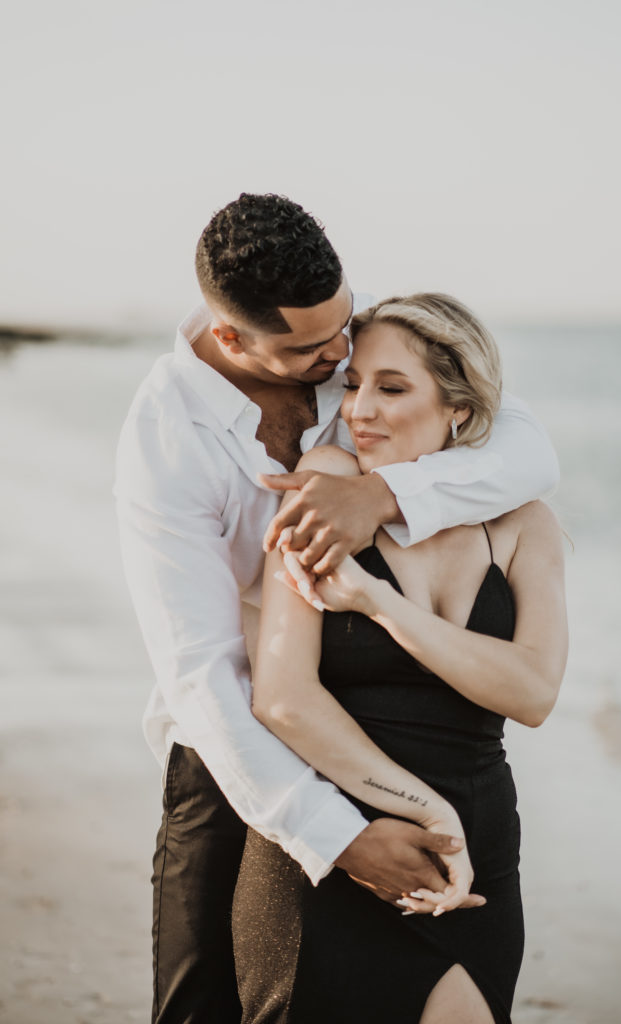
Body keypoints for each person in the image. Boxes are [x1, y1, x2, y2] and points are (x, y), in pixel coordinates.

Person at [114, 195, 560, 1024]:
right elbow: (202, 677)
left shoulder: (355, 339)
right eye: (313, 351)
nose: (339, 361)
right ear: (231, 340)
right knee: (198, 999)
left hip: (382, 718)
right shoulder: (165, 439)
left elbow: (523, 447)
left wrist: (380, 495)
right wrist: (338, 834)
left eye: (343, 328)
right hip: (233, 752)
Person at [238, 293, 568, 1024]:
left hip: (477, 850)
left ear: (458, 408)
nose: (359, 410)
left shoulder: (523, 523)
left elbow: (533, 692)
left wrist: (378, 604)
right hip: (338, 839)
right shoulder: (324, 480)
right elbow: (284, 698)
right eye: (353, 385)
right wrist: (426, 808)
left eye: (391, 388)